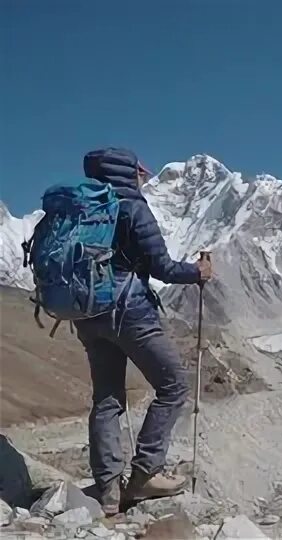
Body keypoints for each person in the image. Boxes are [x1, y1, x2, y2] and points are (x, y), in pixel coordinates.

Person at [76, 148, 213, 515]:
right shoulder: (133, 207)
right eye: (140, 169)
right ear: (127, 172)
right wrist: (198, 272)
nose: (146, 174)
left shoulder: (81, 209)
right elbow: (162, 267)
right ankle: (145, 474)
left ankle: (108, 490)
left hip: (87, 315)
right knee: (173, 386)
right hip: (130, 311)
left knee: (107, 399)